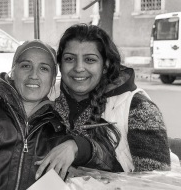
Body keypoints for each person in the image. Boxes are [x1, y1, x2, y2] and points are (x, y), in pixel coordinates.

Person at [45, 23, 171, 173]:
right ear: (59, 65)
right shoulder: (46, 101)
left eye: (90, 60)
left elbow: (155, 184)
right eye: (69, 59)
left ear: (105, 65)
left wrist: (81, 149)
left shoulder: (138, 108)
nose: (78, 68)